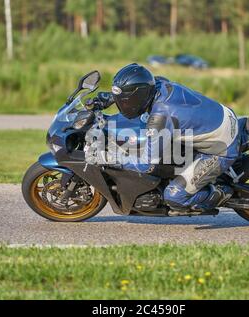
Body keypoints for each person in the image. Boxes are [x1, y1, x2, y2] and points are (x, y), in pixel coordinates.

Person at [91, 63, 240, 213]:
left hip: (221, 147)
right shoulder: (159, 85)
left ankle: (220, 193)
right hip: (224, 116)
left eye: (125, 101)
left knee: (174, 196)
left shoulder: (160, 118)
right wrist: (111, 98)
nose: (123, 104)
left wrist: (108, 158)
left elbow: (147, 164)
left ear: (139, 96)